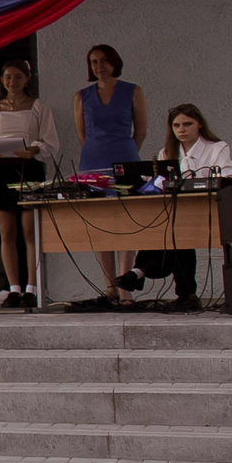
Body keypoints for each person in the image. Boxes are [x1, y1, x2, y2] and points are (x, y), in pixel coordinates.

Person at [111, 104, 232, 309]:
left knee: (176, 231)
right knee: (174, 231)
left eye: (188, 124)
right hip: (179, 214)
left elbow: (228, 178)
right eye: (176, 125)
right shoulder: (166, 152)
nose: (181, 129)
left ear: (199, 125)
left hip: (209, 211)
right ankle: (185, 295)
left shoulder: (217, 148)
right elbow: (163, 183)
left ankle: (140, 271)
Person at [0, 59, 60, 308]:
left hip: (28, 169)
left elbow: (50, 141)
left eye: (18, 77)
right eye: (8, 77)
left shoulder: (38, 107)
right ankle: (14, 287)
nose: (12, 82)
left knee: (30, 231)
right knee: (7, 232)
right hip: (1, 171)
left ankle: (32, 287)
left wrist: (34, 150)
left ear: (27, 79)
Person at [69, 44, 150, 307]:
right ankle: (108, 286)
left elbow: (141, 130)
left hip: (125, 156)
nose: (99, 66)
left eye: (103, 61)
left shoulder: (132, 91)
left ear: (114, 62)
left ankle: (125, 284)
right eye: (93, 62)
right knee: (101, 222)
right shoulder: (82, 95)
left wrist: (127, 153)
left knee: (127, 221)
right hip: (93, 160)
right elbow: (82, 134)